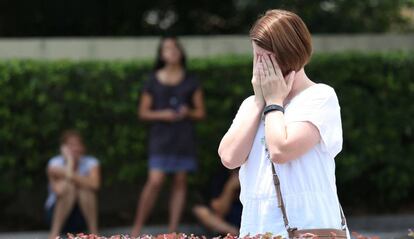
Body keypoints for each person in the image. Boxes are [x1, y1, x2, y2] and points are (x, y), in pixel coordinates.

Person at [218, 9, 350, 238]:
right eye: (256, 57)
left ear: (289, 55)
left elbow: (281, 149)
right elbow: (229, 158)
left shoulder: (320, 96)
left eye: (265, 58)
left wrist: (274, 103)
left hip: (310, 225)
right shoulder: (251, 104)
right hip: (257, 227)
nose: (259, 66)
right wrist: (261, 101)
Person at [131, 36, 206, 237]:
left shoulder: (191, 79)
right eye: (167, 48)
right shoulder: (152, 80)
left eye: (175, 47)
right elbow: (143, 112)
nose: (172, 51)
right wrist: (163, 114)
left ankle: (173, 231)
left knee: (180, 181)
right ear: (161, 54)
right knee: (155, 180)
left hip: (183, 137)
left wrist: (187, 112)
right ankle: (136, 229)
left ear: (180, 52)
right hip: (161, 138)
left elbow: (200, 112)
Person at [45, 130, 100, 239]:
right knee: (69, 188)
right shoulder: (54, 163)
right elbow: (59, 191)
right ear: (63, 148)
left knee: (85, 189)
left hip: (82, 216)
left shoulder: (91, 162)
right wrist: (70, 162)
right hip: (56, 214)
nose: (74, 148)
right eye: (70, 145)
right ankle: (54, 234)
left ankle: (94, 233)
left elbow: (95, 185)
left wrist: (68, 174)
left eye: (77, 144)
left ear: (83, 147)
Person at [192, 168, 241, 236]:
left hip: (251, 219)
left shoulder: (256, 177)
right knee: (200, 210)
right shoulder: (221, 175)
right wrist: (230, 186)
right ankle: (237, 234)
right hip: (229, 221)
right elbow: (219, 210)